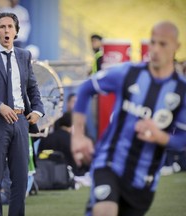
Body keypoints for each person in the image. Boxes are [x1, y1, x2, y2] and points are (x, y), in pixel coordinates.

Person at [72, 21, 186, 216]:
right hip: (109, 163)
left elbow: (182, 140)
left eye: (163, 44)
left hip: (143, 180)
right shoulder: (128, 73)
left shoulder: (181, 91)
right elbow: (85, 89)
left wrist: (160, 137)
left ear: (176, 46)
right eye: (153, 42)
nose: (156, 49)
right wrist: (78, 135)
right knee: (104, 211)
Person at [0, 12, 44, 216]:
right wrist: (0, 107)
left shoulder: (24, 56)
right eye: (2, 27)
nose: (6, 30)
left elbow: (32, 88)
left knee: (20, 181)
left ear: (16, 31)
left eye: (10, 27)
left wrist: (38, 110)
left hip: (21, 123)